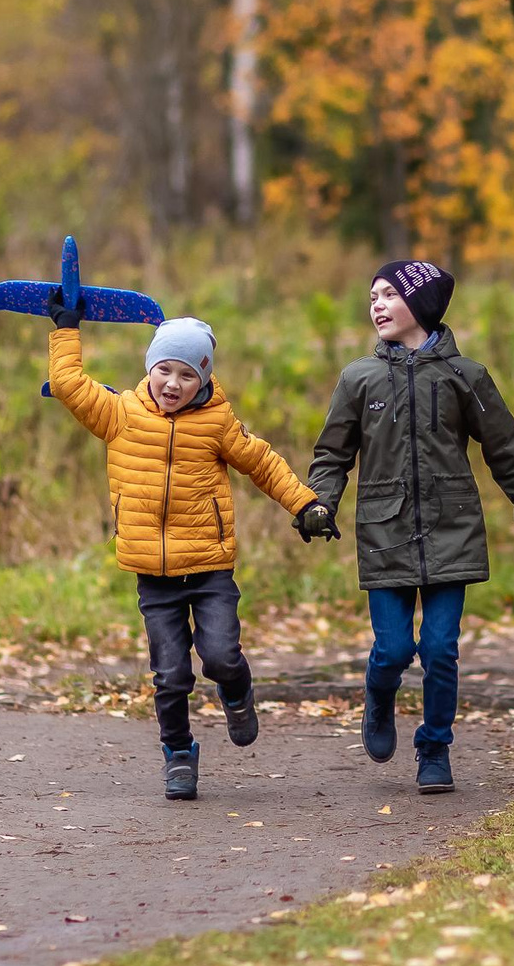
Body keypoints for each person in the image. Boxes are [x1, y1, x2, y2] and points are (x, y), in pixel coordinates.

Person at [42, 299, 323, 801]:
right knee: (171, 675)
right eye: (164, 370)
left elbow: (261, 462)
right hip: (154, 575)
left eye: (187, 375)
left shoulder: (217, 422)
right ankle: (178, 753)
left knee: (219, 656)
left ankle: (236, 692)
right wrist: (66, 328)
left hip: (210, 568)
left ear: (205, 380)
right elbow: (68, 385)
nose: (173, 384)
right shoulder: (120, 414)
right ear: (149, 368)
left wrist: (304, 505)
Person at [299, 260, 514, 793]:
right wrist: (318, 503)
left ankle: (434, 748)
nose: (376, 305)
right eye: (372, 296)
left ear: (422, 304)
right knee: (392, 650)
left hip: (451, 529)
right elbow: (331, 454)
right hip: (384, 531)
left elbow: (506, 448)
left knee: (440, 648)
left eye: (389, 294)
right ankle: (379, 697)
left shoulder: (467, 376)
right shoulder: (358, 378)